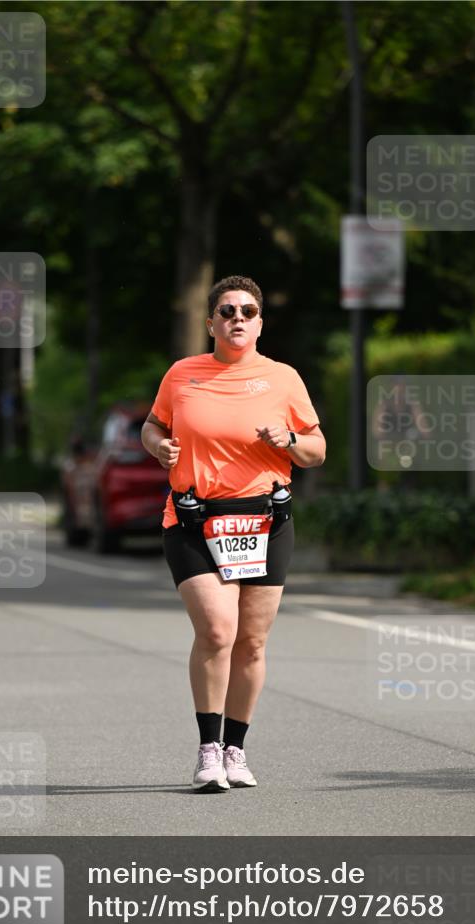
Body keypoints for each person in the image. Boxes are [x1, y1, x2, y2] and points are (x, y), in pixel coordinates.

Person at [141, 275, 325, 792]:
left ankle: (235, 751)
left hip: (265, 521)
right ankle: (207, 750)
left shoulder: (283, 378)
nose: (237, 319)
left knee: (251, 643)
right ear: (210, 323)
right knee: (218, 631)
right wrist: (159, 447)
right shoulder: (182, 375)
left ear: (261, 323)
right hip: (195, 521)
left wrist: (288, 439)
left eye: (247, 311)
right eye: (227, 311)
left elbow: (316, 450)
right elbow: (153, 425)